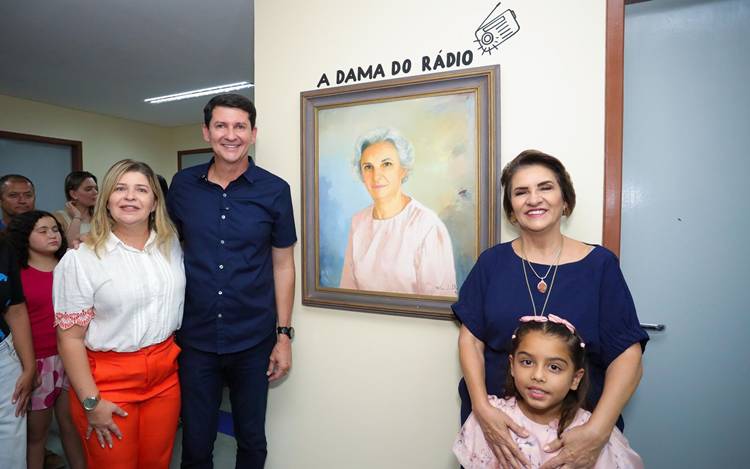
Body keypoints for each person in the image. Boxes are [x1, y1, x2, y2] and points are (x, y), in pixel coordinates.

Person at [454, 150, 648, 468]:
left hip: (576, 433)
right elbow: (470, 340)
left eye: (545, 187)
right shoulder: (491, 263)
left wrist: (597, 431)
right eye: (521, 192)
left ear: (565, 200)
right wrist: (482, 409)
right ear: (511, 210)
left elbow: (628, 357)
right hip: (497, 432)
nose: (533, 199)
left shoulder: (600, 266)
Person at [167, 93, 297, 468]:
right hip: (195, 338)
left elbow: (283, 265)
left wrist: (283, 335)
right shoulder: (183, 185)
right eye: (221, 125)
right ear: (206, 132)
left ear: (253, 133)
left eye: (240, 126)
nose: (230, 134)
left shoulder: (275, 190)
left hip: (253, 339)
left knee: (252, 440)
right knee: (195, 443)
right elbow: (164, 244)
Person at [54, 159, 185, 469]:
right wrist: (91, 402)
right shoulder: (81, 259)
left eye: (141, 190)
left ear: (155, 202)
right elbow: (69, 339)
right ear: (107, 200)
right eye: (120, 189)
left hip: (165, 377)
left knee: (157, 463)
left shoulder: (170, 245)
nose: (130, 197)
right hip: (106, 383)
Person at [453, 315, 644, 468]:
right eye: (527, 362)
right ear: (512, 366)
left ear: (575, 379)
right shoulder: (492, 419)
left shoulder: (590, 433)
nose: (538, 376)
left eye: (554, 367)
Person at [7, 211, 86, 469]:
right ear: (25, 237)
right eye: (42, 231)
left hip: (72, 356)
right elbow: (15, 321)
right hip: (39, 360)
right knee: (37, 435)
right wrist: (28, 367)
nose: (52, 235)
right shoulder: (19, 274)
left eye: (55, 229)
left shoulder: (70, 264)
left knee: (72, 424)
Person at [339, 128, 457, 296]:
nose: (376, 176)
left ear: (403, 170)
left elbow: (439, 301)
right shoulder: (358, 222)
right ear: (361, 174)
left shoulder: (427, 225)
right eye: (368, 167)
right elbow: (347, 292)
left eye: (386, 164)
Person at [0, 236, 37, 467]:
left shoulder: (4, 247)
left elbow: (15, 308)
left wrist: (29, 366)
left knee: (11, 448)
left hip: (4, 358)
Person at [54, 171, 98, 248]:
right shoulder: (59, 217)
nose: (95, 192)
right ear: (73, 194)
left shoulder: (100, 216)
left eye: (96, 188)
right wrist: (77, 216)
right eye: (88, 189)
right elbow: (71, 246)